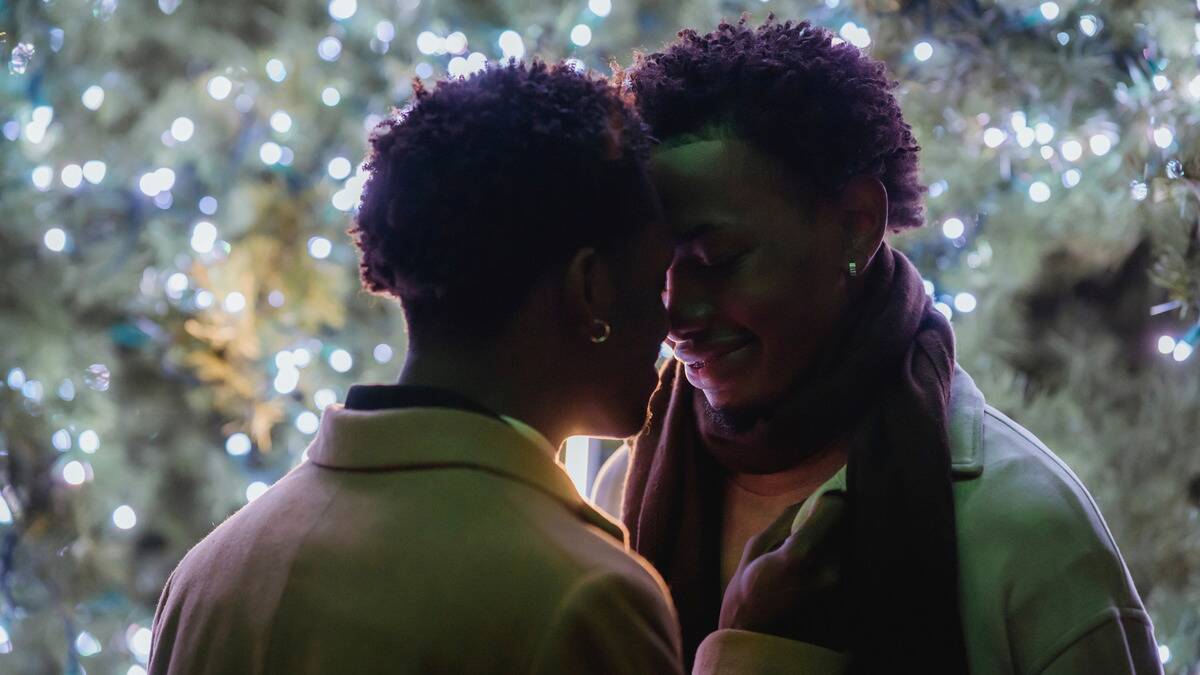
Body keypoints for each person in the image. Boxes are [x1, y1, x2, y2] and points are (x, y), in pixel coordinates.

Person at [592, 17, 1162, 674]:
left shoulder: (1024, 527)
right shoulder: (623, 486)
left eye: (718, 259)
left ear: (857, 225)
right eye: (658, 267)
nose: (678, 313)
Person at [149, 61, 683, 675]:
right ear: (588, 289)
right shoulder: (583, 597)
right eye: (654, 283)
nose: (670, 324)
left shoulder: (209, 572)